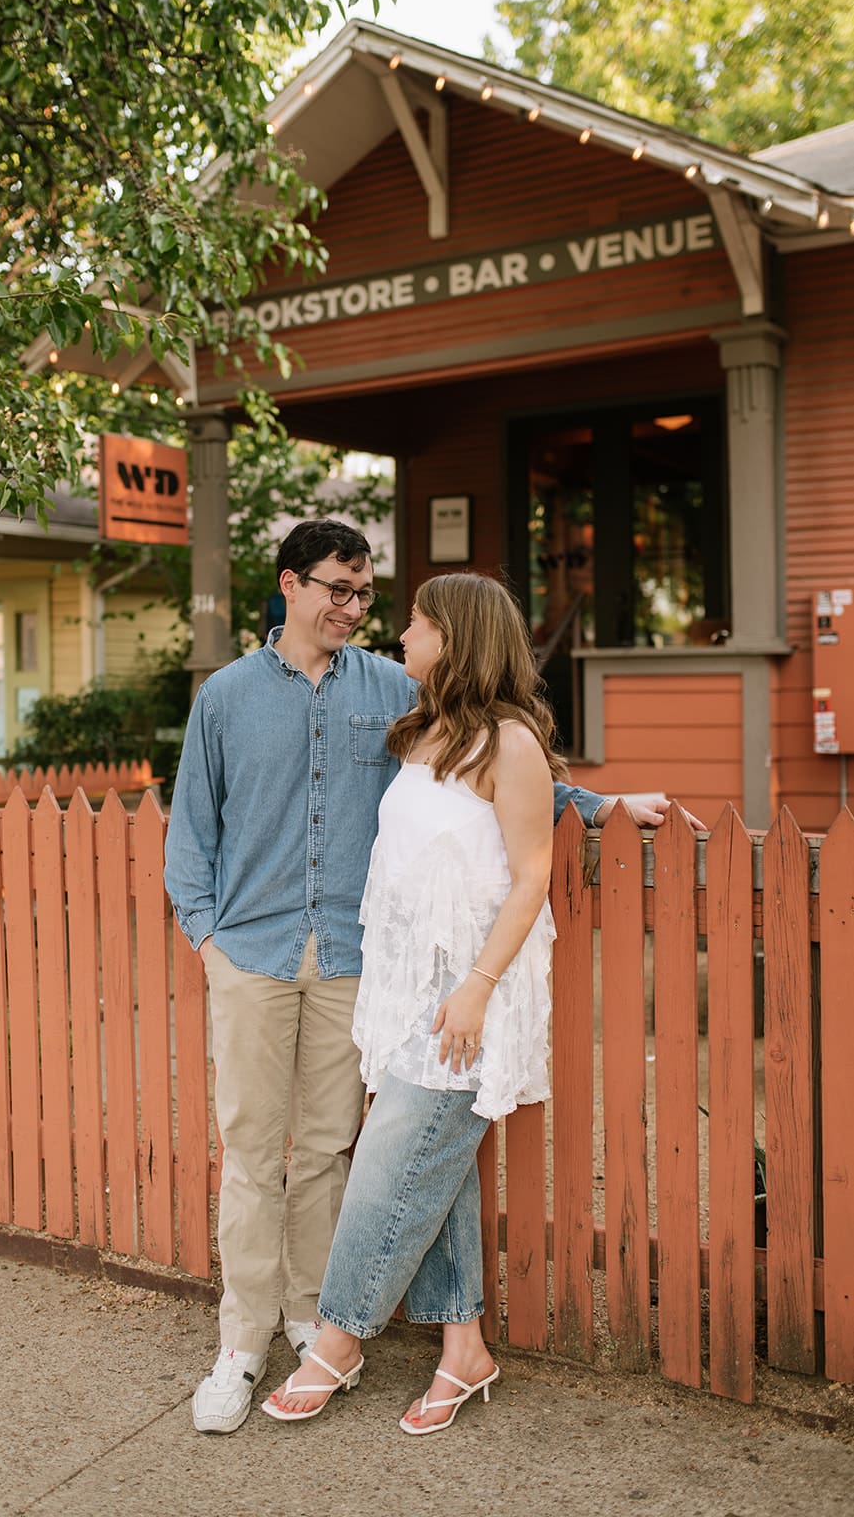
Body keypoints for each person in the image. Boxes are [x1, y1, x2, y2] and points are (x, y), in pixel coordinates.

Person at [164, 519, 696, 1435]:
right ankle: (242, 1343)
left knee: (340, 1149)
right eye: (339, 589)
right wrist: (206, 936)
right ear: (290, 585)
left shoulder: (390, 686)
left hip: (357, 964)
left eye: (370, 596)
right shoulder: (226, 697)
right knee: (254, 1154)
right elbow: (191, 833)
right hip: (255, 953)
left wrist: (600, 803)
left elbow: (497, 766)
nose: (357, 611)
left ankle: (315, 1323)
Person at [260, 571, 561, 1433]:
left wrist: (474, 989)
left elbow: (531, 876)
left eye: (419, 622)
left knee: (390, 1168)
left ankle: (337, 1340)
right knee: (437, 1172)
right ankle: (462, 1348)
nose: (401, 634)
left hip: (469, 1000)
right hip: (405, 996)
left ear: (456, 637)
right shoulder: (424, 732)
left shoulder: (510, 744)